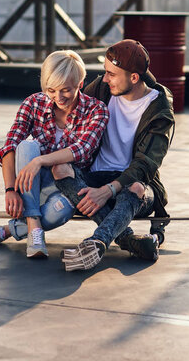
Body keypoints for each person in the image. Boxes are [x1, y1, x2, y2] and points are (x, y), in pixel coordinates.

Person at [0, 50, 109, 258]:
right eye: (51, 90)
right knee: (25, 147)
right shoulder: (34, 103)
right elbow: (9, 146)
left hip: (69, 185)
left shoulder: (97, 110)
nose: (58, 97)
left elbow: (82, 150)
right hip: (30, 184)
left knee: (61, 210)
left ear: (80, 83)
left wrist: (40, 161)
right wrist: (10, 190)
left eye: (66, 90)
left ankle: (5, 231)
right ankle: (34, 226)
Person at [53, 39, 175, 271]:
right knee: (60, 168)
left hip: (132, 187)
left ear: (134, 78)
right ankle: (128, 240)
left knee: (137, 187)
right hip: (92, 180)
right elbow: (68, 108)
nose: (105, 78)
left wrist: (108, 190)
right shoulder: (102, 89)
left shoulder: (160, 112)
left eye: (111, 74)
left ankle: (97, 242)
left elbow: (145, 165)